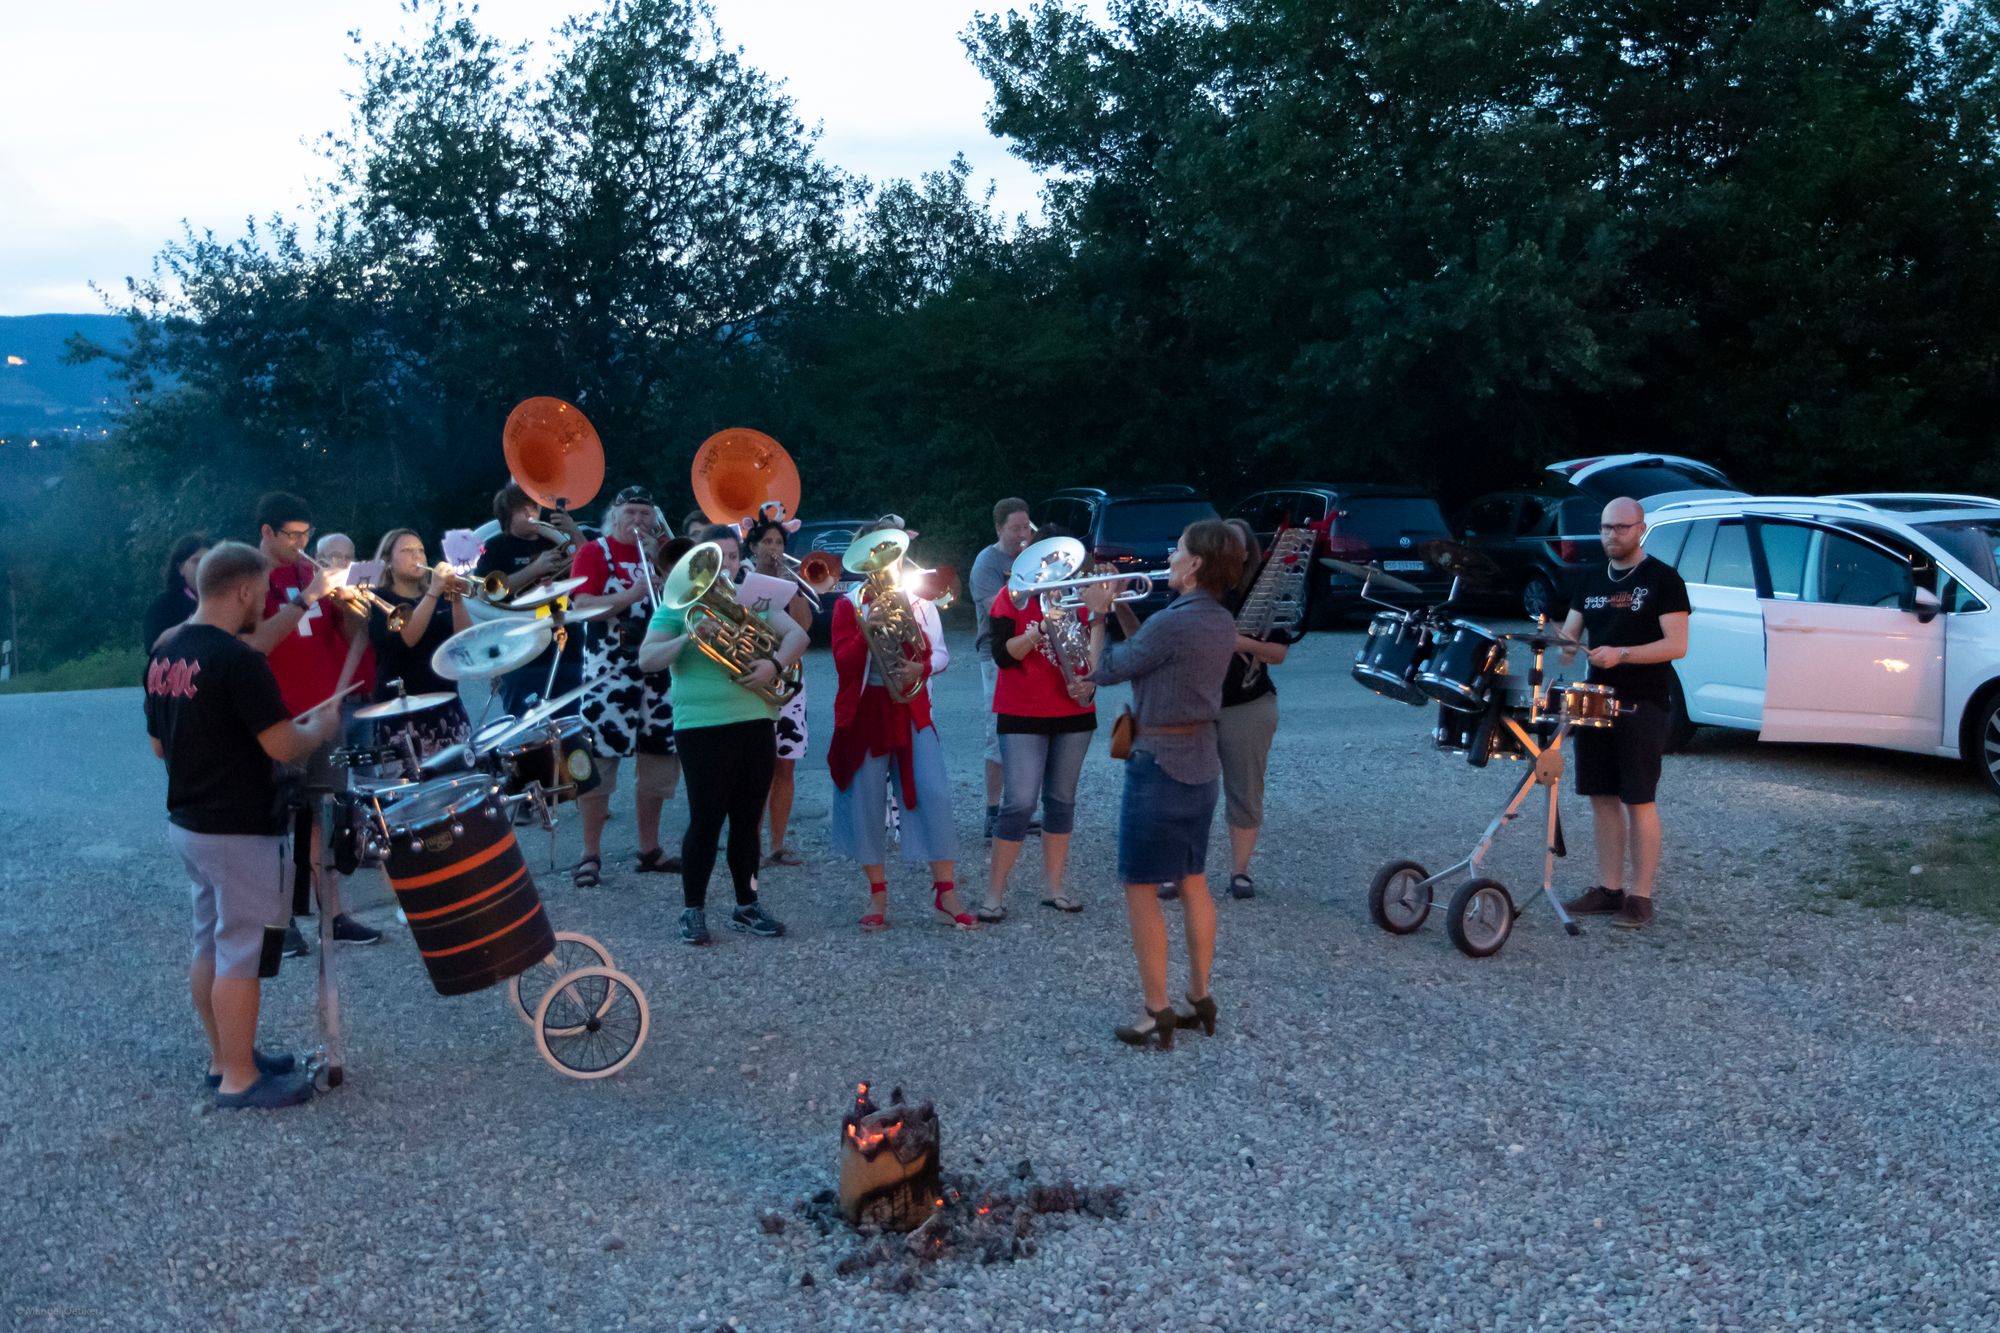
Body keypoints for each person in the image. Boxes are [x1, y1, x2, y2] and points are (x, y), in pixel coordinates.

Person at [146, 542, 345, 1109]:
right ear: (240, 591)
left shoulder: (166, 651)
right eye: (260, 592)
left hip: (189, 822)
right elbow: (282, 744)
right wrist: (318, 728)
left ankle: (223, 1057)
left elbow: (160, 747)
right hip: (237, 826)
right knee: (240, 951)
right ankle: (239, 1078)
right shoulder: (238, 660)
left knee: (209, 942)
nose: (264, 602)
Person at [1079, 519, 1242, 1049]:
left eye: (1177, 549)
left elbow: (1100, 670)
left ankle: (1156, 1011)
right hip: (1200, 763)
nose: (1169, 555)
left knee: (1141, 889)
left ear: (1195, 564)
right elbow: (1151, 652)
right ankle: (1199, 996)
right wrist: (1125, 607)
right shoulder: (1217, 618)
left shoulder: (1174, 623)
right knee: (1194, 879)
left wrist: (1099, 612)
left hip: (1158, 765)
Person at [638, 525, 809, 944]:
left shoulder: (751, 599)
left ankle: (746, 904)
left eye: (732, 558)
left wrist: (774, 666)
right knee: (706, 821)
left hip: (755, 720)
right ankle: (692, 910)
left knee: (748, 822)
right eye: (719, 558)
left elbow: (798, 635)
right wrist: (689, 636)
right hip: (701, 726)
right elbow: (647, 659)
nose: (727, 565)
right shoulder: (677, 606)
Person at [245, 492, 381, 950]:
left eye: (307, 535)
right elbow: (256, 645)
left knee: (325, 817)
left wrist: (348, 604)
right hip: (277, 717)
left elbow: (349, 637)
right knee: (276, 823)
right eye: (293, 536)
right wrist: (307, 598)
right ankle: (278, 921)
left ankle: (334, 915)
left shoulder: (311, 573)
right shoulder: (249, 575)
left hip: (324, 712)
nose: (302, 544)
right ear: (267, 532)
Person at [826, 525, 973, 931]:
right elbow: (843, 663)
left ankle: (945, 892)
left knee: (934, 794)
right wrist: (868, 626)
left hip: (910, 707)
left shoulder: (920, 602)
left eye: (889, 555)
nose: (885, 565)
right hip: (865, 713)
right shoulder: (850, 605)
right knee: (866, 803)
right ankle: (878, 896)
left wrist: (920, 668)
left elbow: (941, 654)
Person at [1558, 497, 1691, 930]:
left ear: (1640, 529)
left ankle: (1641, 897)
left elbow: (1677, 645)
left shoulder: (1663, 580)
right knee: (1601, 798)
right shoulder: (1590, 578)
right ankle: (1609, 889)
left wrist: (1624, 653)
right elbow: (1569, 635)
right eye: (1604, 528)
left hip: (1643, 702)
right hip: (1594, 702)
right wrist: (1557, 643)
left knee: (1639, 800)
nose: (1611, 536)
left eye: (1620, 528)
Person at [568, 486, 680, 887]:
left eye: (645, 514)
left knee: (658, 762)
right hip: (608, 673)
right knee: (598, 763)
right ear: (615, 516)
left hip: (659, 672)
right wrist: (630, 594)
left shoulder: (661, 553)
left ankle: (650, 849)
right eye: (630, 512)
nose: (638, 521)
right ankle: (589, 853)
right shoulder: (594, 553)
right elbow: (580, 606)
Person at [979, 572, 1097, 921]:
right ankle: (994, 894)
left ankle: (1055, 889)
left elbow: (1093, 652)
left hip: (1074, 711)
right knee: (1019, 803)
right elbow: (1003, 655)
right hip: (1022, 711)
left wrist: (1092, 685)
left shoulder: (1079, 597)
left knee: (1061, 801)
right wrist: (1041, 629)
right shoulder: (1011, 597)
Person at [1213, 518, 1302, 901]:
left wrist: (1239, 643)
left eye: (1234, 545)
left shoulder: (1264, 596)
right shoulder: (1195, 590)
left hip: (1247, 705)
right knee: (1184, 791)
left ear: (1247, 552)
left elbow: (1279, 653)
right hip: (1196, 705)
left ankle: (1240, 872)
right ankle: (1177, 870)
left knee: (1245, 790)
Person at [366, 528, 472, 776]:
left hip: (446, 704)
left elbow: (465, 642)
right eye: (406, 551)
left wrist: (456, 600)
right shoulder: (380, 599)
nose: (417, 557)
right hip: (402, 714)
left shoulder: (438, 597)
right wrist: (434, 593)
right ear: (389, 563)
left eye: (421, 550)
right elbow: (407, 639)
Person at [474, 482, 585, 716]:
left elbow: (589, 566)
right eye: (523, 511)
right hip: (521, 650)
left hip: (566, 643)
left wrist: (574, 532)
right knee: (526, 723)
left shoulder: (556, 540)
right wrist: (535, 569)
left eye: (534, 508)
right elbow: (486, 592)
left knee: (575, 722)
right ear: (507, 516)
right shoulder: (496, 546)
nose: (532, 515)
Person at [743, 515, 815, 867]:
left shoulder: (792, 580)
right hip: (753, 676)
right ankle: (750, 841)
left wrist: (793, 588)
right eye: (767, 543)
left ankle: (778, 843)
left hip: (790, 678)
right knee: (755, 765)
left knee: (785, 764)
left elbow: (803, 627)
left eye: (779, 543)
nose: (774, 549)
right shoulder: (739, 576)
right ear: (753, 546)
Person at [970, 498, 1038, 840]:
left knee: (1029, 732)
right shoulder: (987, 563)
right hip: (996, 656)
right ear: (999, 529)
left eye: (1027, 527)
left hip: (1033, 650)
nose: (1023, 534)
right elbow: (997, 609)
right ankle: (993, 813)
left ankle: (1020, 810)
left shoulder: (1035, 553)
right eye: (1015, 528)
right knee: (997, 735)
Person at [143, 533, 209, 653]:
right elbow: (154, 647)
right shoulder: (163, 605)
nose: (203, 566)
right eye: (196, 561)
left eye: (208, 560)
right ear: (180, 568)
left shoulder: (230, 601)